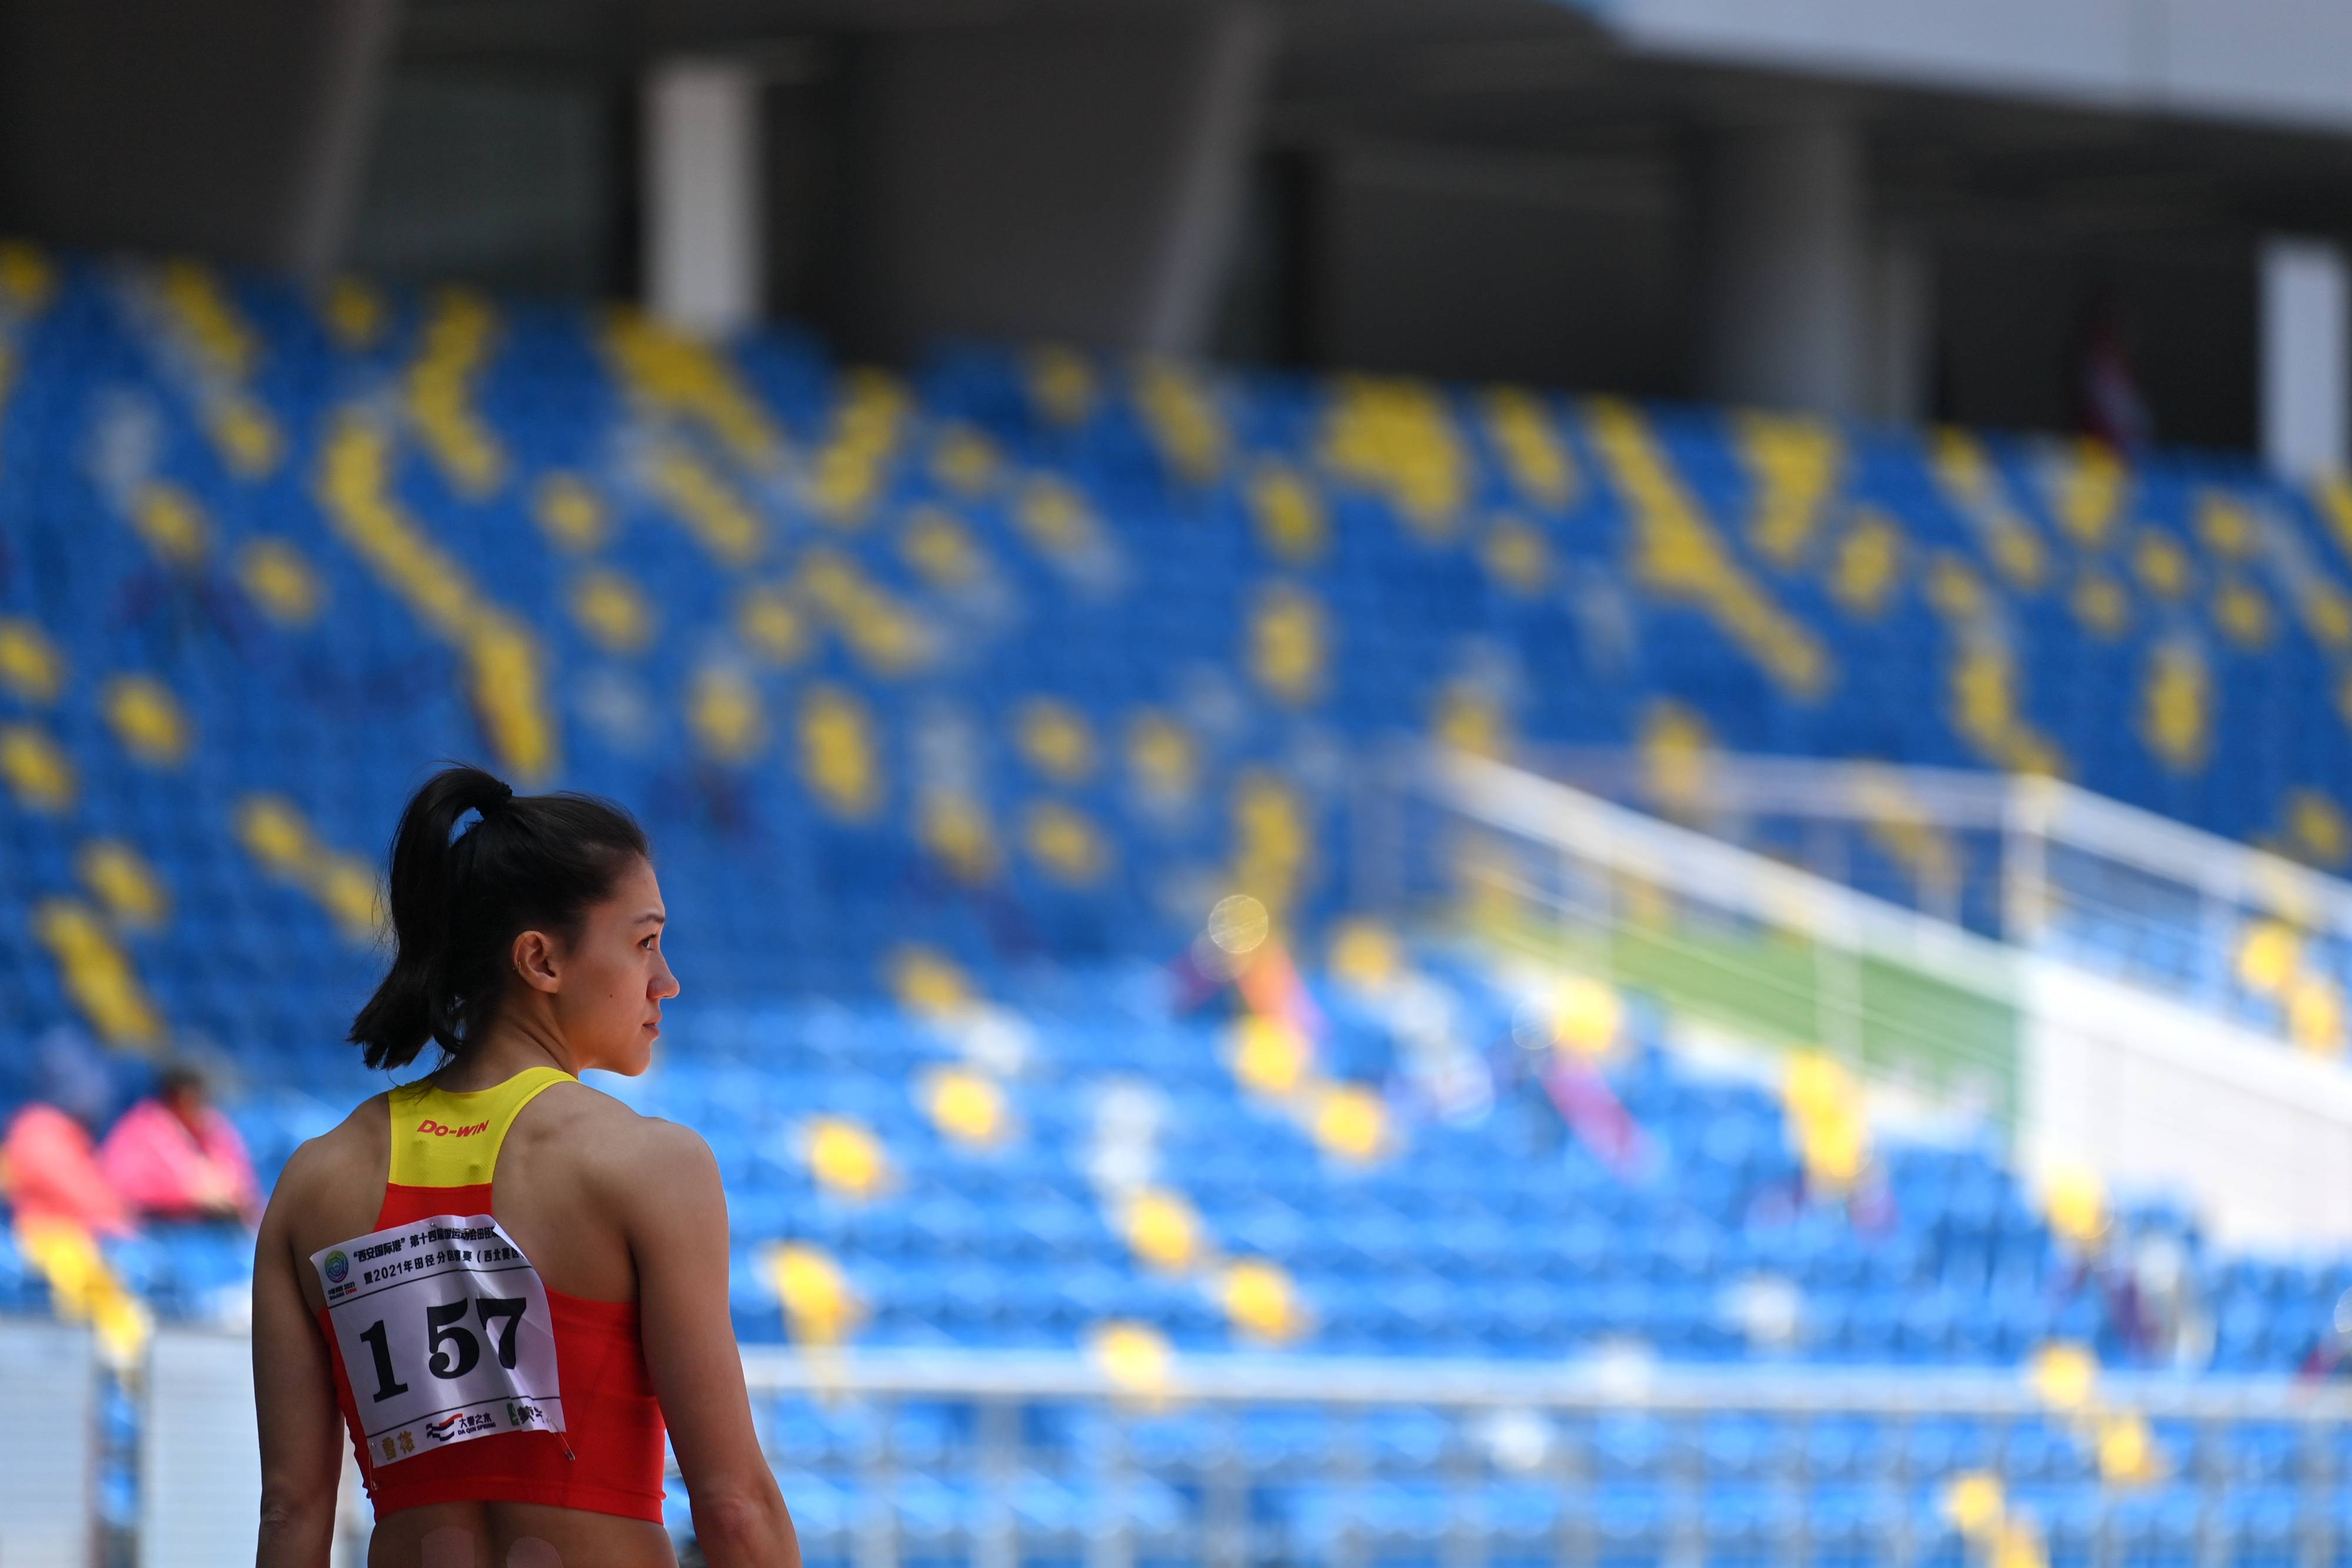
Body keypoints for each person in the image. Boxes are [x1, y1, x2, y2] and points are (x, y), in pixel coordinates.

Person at [250, 765, 797, 1568]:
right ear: (540, 960)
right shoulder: (650, 1164)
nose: (667, 980)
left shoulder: (315, 1180)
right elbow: (734, 1504)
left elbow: (290, 1511)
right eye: (645, 941)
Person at [100, 1061, 263, 1225]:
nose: (198, 1105)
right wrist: (189, 1194)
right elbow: (124, 1188)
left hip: (210, 1224)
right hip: (156, 1226)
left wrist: (228, 1191)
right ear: (176, 1097)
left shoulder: (212, 1126)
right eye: (190, 1098)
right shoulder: (141, 1129)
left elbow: (242, 1184)